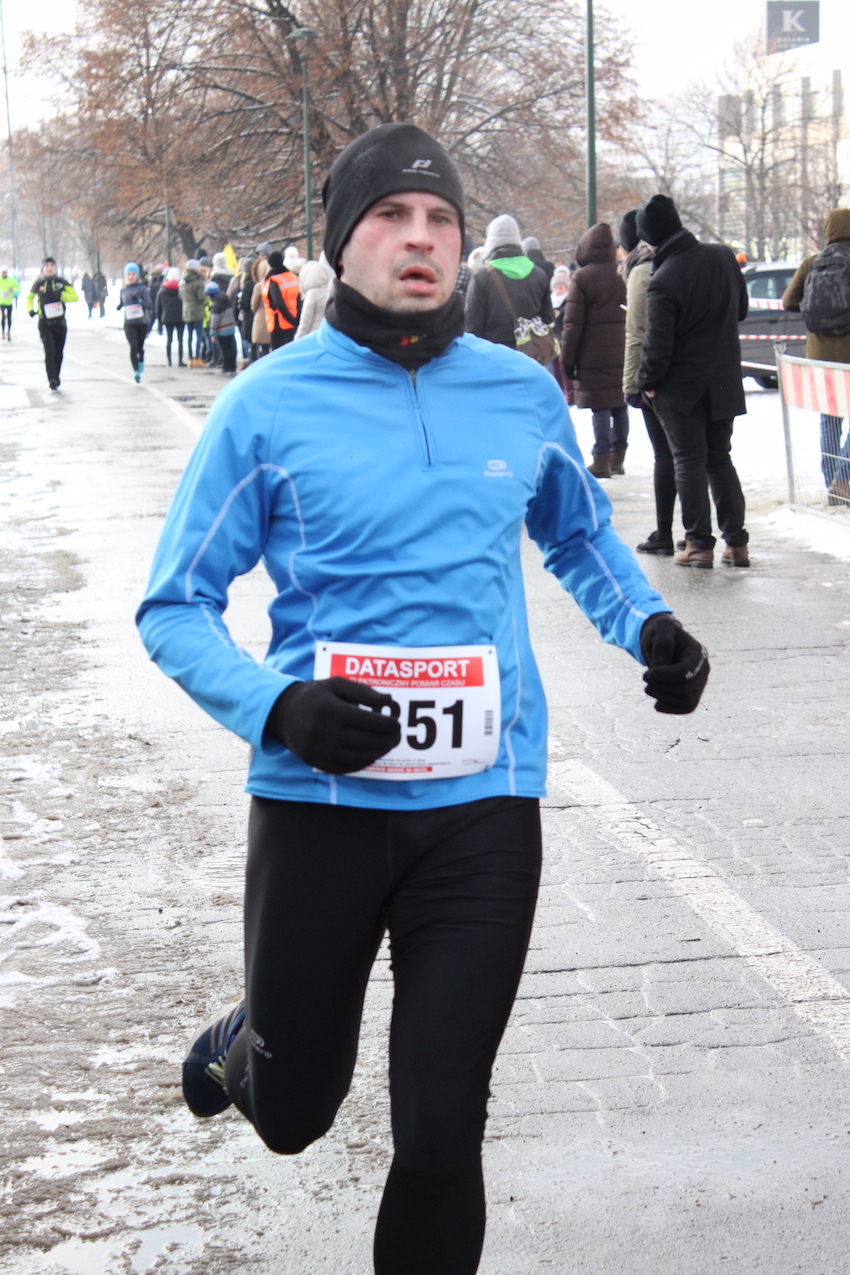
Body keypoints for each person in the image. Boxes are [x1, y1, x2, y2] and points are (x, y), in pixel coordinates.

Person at [136, 122, 709, 1275]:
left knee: (442, 1131)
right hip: (318, 806)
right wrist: (278, 708)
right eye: (390, 216)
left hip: (482, 807)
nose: (420, 238)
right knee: (296, 1115)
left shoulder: (518, 394)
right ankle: (251, 1046)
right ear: (341, 244)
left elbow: (577, 537)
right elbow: (173, 607)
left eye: (439, 218)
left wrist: (647, 626)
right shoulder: (266, 404)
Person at [636, 194, 750, 568]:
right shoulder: (723, 257)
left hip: (681, 388)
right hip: (723, 380)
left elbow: (656, 346)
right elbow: (742, 310)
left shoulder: (663, 279)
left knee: (688, 461)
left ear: (651, 239)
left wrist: (646, 383)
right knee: (720, 459)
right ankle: (737, 543)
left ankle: (698, 544)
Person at [782, 208, 850, 506]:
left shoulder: (812, 262)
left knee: (829, 421)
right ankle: (843, 480)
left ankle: (831, 482)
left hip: (819, 357)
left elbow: (788, 301)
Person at [620, 211, 677, 554]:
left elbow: (636, 332)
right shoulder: (668, 262)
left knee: (666, 455)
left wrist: (631, 384)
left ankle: (665, 532)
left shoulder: (641, 271)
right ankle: (694, 532)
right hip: (678, 371)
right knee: (685, 455)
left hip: (654, 374)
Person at [560, 223, 628, 479]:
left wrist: (568, 358)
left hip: (592, 353)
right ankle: (618, 458)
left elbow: (572, 323)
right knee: (620, 404)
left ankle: (601, 458)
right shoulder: (622, 273)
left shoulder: (582, 277)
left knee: (600, 406)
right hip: (622, 349)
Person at [464, 215, 554, 352]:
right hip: (529, 356)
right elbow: (547, 317)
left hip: (493, 356)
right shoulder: (539, 274)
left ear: (491, 242)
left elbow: (472, 326)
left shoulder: (482, 277)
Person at [26, 257, 78, 390]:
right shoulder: (39, 283)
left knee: (58, 352)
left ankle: (56, 375)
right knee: (49, 351)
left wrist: (62, 296)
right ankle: (52, 379)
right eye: (47, 266)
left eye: (52, 265)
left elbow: (75, 296)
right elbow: (29, 297)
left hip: (60, 322)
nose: (49, 268)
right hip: (44, 322)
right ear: (43, 268)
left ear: (55, 267)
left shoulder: (61, 282)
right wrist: (30, 309)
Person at [117, 263, 153, 383]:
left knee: (139, 347)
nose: (131, 276)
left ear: (137, 276)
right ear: (125, 276)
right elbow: (123, 301)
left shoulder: (142, 289)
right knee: (133, 345)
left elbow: (149, 305)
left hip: (141, 322)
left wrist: (139, 301)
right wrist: (120, 305)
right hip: (129, 323)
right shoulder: (123, 289)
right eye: (129, 274)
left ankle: (141, 358)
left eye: (133, 274)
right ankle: (136, 371)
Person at [261, 250, 301, 350]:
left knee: (279, 353)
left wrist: (291, 320)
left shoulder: (274, 280)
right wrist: (296, 320)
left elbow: (279, 303)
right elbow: (299, 299)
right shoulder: (294, 277)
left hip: (278, 323)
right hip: (294, 320)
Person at [293, 256, 332, 339]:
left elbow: (306, 321)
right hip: (329, 335)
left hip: (314, 336)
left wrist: (297, 339)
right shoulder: (332, 290)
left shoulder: (312, 294)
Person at [156, 266, 186, 367]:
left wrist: (159, 322)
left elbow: (158, 307)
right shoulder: (182, 289)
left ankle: (169, 361)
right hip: (180, 318)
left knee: (169, 340)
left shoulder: (162, 290)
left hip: (167, 318)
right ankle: (180, 360)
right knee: (180, 340)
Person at [180, 259, 207, 367]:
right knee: (198, 335)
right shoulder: (198, 282)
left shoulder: (182, 281)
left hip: (186, 310)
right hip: (197, 311)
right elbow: (201, 297)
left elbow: (180, 296)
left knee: (189, 336)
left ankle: (190, 359)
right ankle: (197, 358)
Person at [209, 279, 238, 374]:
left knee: (224, 349)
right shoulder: (227, 299)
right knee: (231, 348)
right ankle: (233, 366)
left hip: (222, 330)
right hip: (230, 327)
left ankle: (226, 367)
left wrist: (213, 333)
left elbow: (215, 321)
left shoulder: (216, 305)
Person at [250, 258, 272, 359]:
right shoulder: (273, 283)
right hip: (272, 317)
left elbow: (254, 304)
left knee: (263, 348)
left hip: (261, 318)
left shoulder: (258, 286)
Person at [0, 267, 21, 340]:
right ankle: (3, 333)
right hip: (1, 302)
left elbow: (18, 288)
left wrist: (13, 289)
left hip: (9, 302)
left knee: (9, 317)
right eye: (3, 272)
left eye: (5, 272)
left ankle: (8, 332)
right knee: (3, 316)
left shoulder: (11, 280)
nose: (4, 273)